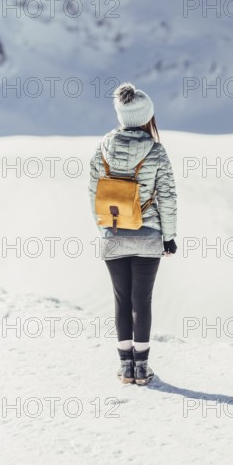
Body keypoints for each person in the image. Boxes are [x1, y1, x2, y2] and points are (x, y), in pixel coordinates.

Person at [88, 82, 178, 385]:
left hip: (113, 233)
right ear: (146, 116)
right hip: (149, 234)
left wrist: (105, 228)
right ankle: (142, 368)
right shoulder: (156, 150)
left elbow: (93, 193)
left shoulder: (103, 146)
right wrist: (169, 236)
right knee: (143, 301)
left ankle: (125, 367)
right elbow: (167, 196)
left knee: (121, 300)